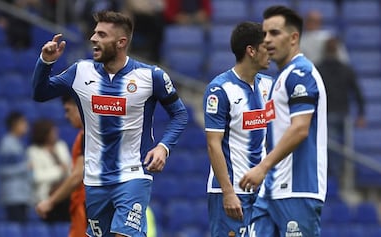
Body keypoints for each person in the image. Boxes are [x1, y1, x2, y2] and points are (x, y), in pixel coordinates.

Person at [31, 10, 188, 237]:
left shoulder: (150, 76)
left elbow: (180, 114)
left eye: (102, 35)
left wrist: (163, 147)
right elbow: (40, 93)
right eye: (95, 33)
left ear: (120, 42)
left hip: (133, 175)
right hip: (95, 180)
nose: (94, 38)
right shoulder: (79, 71)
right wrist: (46, 61)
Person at [239, 6, 327, 237]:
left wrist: (262, 167)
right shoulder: (282, 77)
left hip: (297, 190)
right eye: (264, 34)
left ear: (293, 37)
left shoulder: (301, 73)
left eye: (275, 33)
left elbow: (300, 130)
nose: (267, 40)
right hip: (270, 190)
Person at [203, 21, 272, 237]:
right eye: (265, 47)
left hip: (261, 192)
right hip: (231, 193)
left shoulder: (268, 86)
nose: (270, 51)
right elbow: (213, 144)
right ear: (250, 51)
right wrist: (228, 192)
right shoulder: (220, 89)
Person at [36, 94, 86, 237]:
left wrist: (50, 202)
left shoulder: (87, 136)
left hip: (88, 206)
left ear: (80, 108)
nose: (66, 116)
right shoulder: (92, 135)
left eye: (68, 110)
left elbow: (77, 175)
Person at [317, 37, 365, 177]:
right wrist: (361, 113)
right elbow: (357, 92)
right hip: (342, 113)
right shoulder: (346, 69)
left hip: (329, 112)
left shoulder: (318, 68)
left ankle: (333, 175)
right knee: (342, 148)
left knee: (331, 146)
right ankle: (337, 176)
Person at [27, 118, 71, 222]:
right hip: (46, 196)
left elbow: (69, 170)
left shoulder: (61, 146)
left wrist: (62, 170)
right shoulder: (33, 151)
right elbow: (37, 176)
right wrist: (59, 170)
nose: (55, 134)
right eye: (52, 132)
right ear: (44, 133)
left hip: (66, 194)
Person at [0, 111, 32, 223]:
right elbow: (2, 171)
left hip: (22, 195)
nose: (26, 126)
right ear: (15, 124)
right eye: (23, 123)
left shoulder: (18, 142)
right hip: (13, 196)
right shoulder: (7, 144)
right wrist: (24, 167)